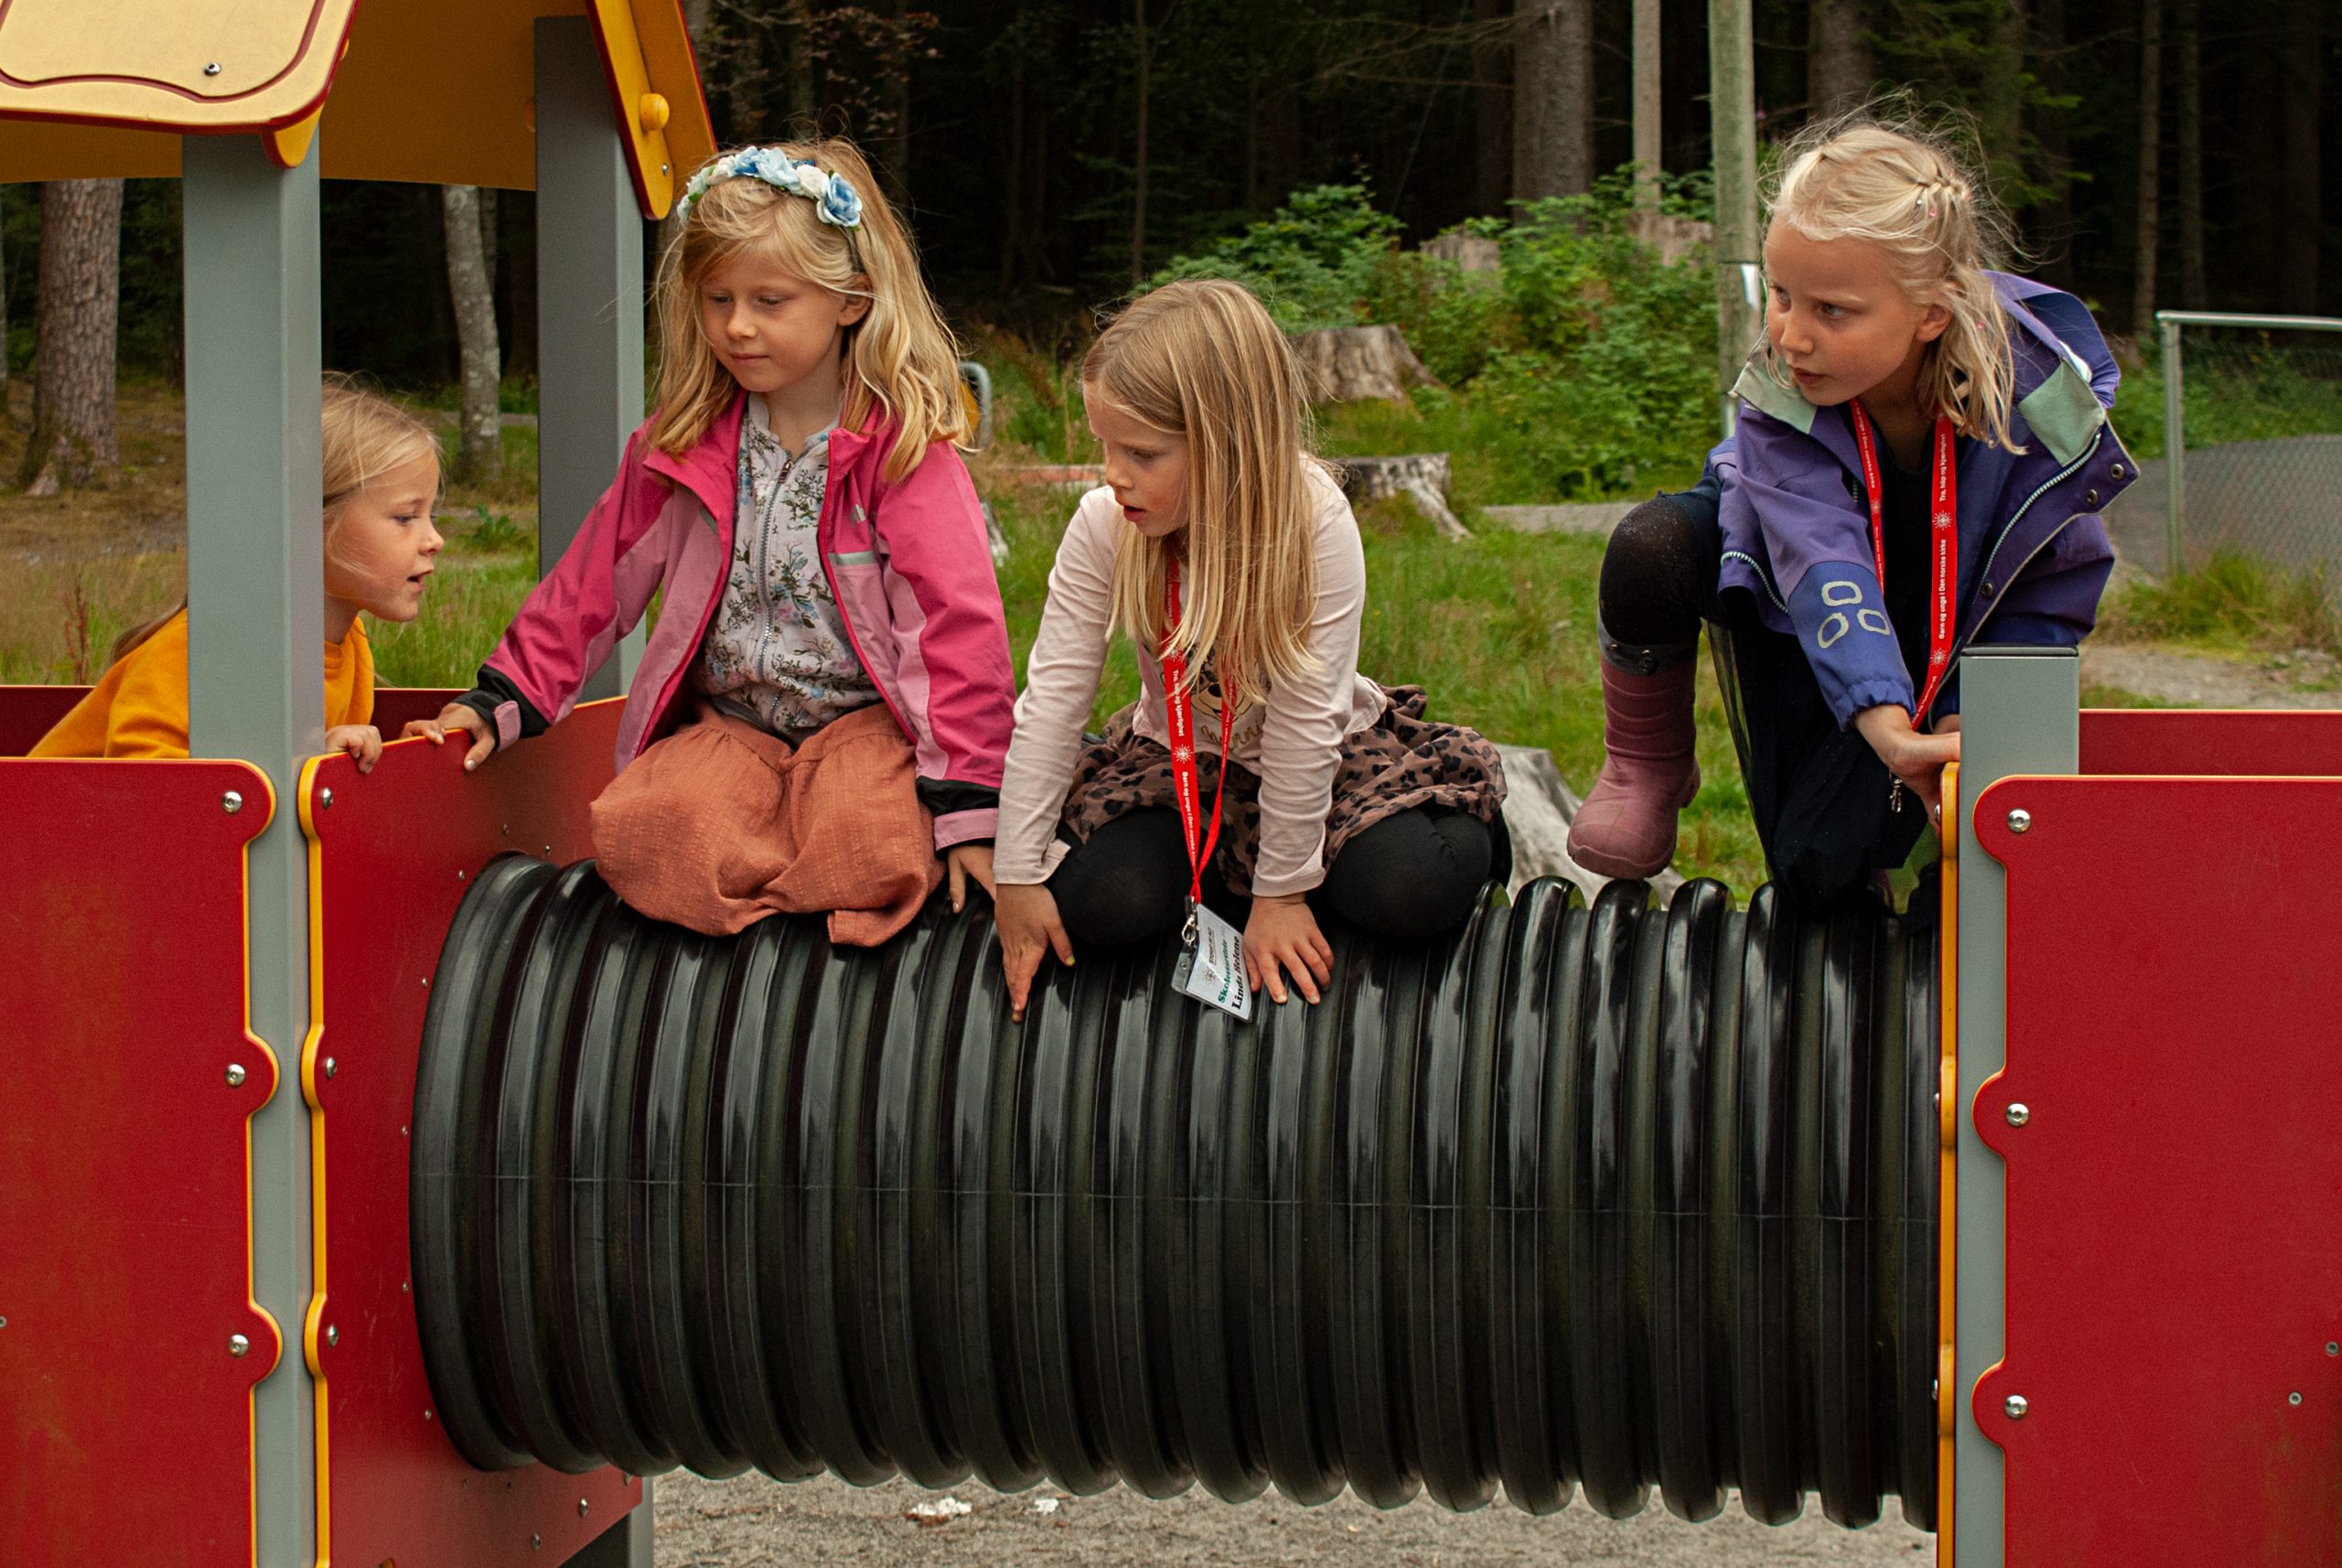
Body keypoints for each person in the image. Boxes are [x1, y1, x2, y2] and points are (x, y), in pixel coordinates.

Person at [408, 140, 1015, 945]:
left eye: (770, 300)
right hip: (733, 725)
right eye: (717, 297)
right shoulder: (682, 446)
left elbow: (955, 627)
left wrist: (971, 804)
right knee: (646, 837)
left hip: (867, 725)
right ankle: (777, 882)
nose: (737, 325)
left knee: (875, 847)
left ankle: (804, 873)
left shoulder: (902, 454)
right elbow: (595, 583)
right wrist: (504, 695)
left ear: (851, 300)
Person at [1565, 116, 2136, 911]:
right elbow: (1817, 554)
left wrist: (1985, 730)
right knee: (1650, 545)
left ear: (1930, 315)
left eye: (1832, 311)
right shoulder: (1782, 392)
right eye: (1781, 296)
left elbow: (2051, 579)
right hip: (1794, 579)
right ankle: (1646, 763)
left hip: (1951, 605)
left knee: (1918, 863)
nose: (1791, 336)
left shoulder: (2035, 409)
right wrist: (1887, 727)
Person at [993, 278, 1509, 1017]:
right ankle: (1232, 876)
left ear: (1229, 445)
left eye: (1140, 452)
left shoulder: (1315, 523)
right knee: (1096, 904)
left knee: (1412, 889)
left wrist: (1284, 894)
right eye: (1104, 445)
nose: (1112, 474)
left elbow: (1306, 718)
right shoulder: (1106, 522)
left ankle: (1469, 823)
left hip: (1322, 765)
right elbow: (1052, 699)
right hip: (1183, 765)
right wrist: (1016, 874)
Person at [34, 377, 440, 769]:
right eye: (406, 517)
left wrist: (392, 757)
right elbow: (146, 782)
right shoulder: (204, 648)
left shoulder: (349, 642)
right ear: (304, 523)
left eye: (430, 515)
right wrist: (304, 766)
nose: (434, 539)